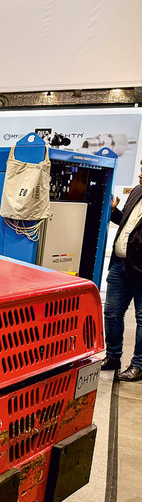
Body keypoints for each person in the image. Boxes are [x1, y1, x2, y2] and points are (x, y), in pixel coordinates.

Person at [104, 161, 142, 381]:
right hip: (120, 265)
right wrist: (113, 211)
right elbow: (126, 224)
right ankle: (113, 357)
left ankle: (138, 365)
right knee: (111, 313)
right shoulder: (137, 191)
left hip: (141, 270)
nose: (139, 175)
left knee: (141, 319)